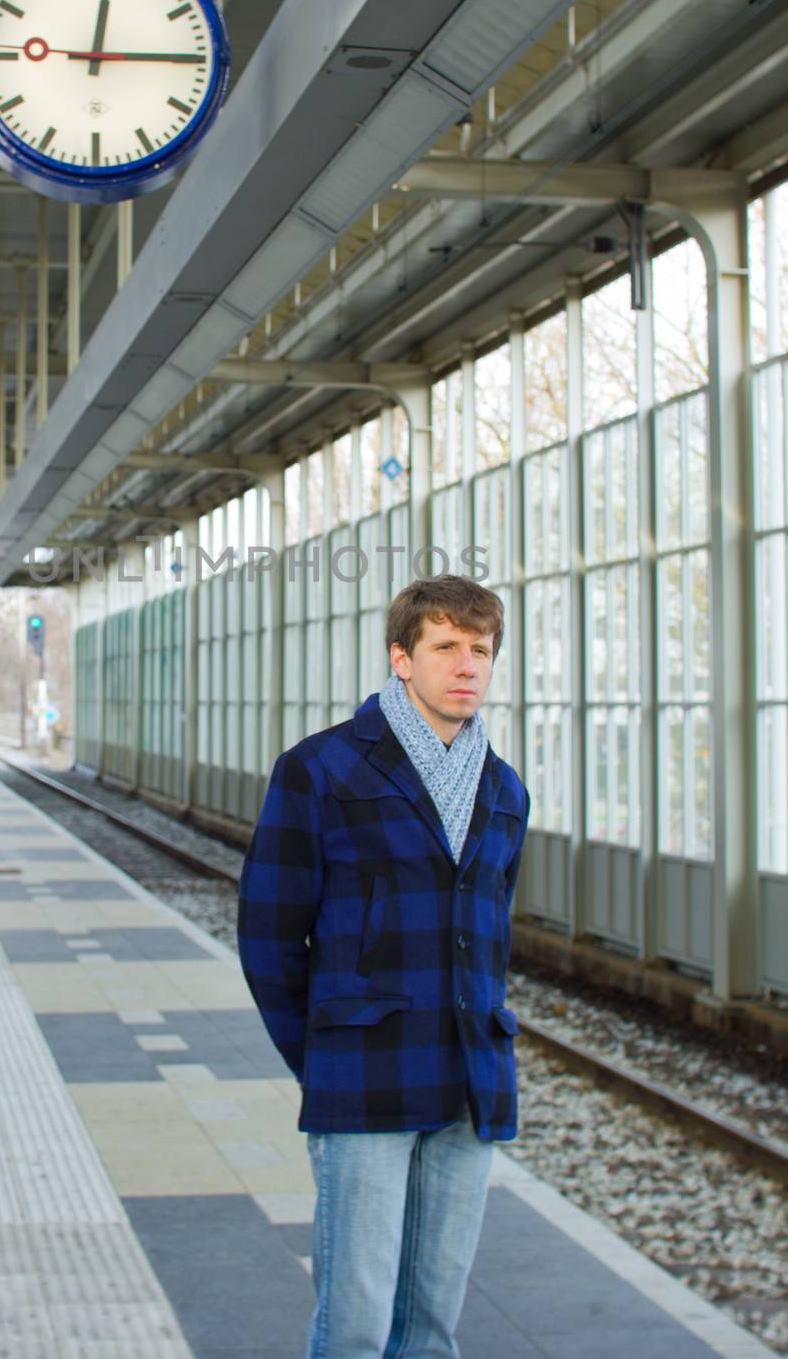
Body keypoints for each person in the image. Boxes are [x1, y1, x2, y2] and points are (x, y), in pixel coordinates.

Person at [238, 574, 530, 1359]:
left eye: (481, 650)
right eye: (446, 648)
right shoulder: (322, 769)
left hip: (470, 1080)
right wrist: (325, 1053)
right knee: (356, 1328)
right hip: (363, 1077)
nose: (467, 665)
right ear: (401, 658)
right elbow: (268, 937)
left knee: (431, 1330)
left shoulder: (503, 791)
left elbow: (487, 938)